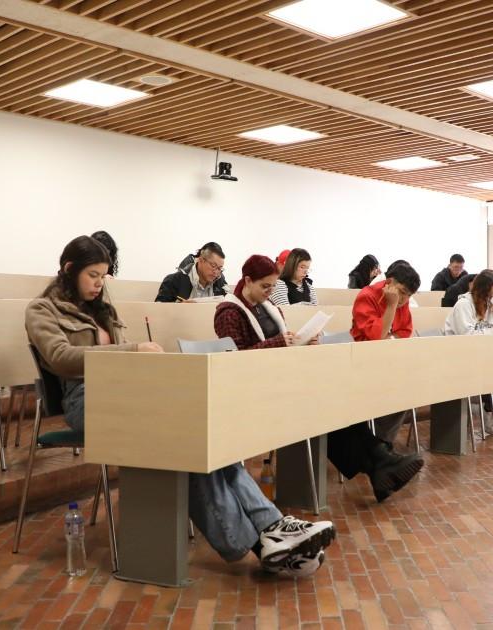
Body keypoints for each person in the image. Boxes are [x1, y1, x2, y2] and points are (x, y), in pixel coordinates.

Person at [29, 241, 334, 578]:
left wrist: (133, 356)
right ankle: (265, 541)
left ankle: (272, 530)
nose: (99, 283)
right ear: (69, 269)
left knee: (196, 431)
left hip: (128, 390)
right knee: (181, 437)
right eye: (92, 275)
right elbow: (59, 357)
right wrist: (132, 350)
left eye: (103, 276)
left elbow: (120, 356)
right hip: (87, 400)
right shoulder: (42, 310)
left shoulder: (101, 307)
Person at [343, 261, 425, 502]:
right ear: (389, 283)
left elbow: (404, 332)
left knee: (405, 393)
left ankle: (382, 451)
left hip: (388, 364)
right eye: (401, 293)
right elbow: (376, 338)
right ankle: (381, 457)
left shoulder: (404, 301)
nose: (403, 301)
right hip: (361, 365)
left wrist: (390, 331)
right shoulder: (367, 296)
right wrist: (390, 307)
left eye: (408, 296)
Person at [444, 270, 493, 412]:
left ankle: (488, 402)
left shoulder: (490, 307)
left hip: (486, 356)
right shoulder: (463, 305)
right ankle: (486, 399)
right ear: (482, 291)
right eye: (491, 294)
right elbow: (468, 336)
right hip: (461, 358)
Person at [156, 242, 227, 302]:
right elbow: (158, 311)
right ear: (201, 260)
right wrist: (179, 308)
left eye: (220, 268)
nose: (216, 272)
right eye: (213, 266)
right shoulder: (173, 281)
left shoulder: (220, 284)